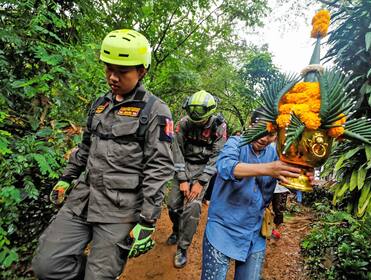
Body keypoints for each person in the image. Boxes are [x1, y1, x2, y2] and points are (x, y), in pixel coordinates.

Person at [32, 29, 174, 279]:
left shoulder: (155, 110)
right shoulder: (100, 104)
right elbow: (86, 146)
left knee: (100, 275)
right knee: (47, 265)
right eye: (109, 69)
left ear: (142, 71)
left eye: (122, 71)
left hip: (120, 209)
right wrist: (68, 177)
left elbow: (159, 167)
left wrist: (148, 220)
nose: (113, 77)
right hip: (84, 199)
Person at [200, 109, 314, 280]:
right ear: (250, 125)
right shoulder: (235, 142)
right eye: (259, 130)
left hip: (254, 232)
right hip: (222, 229)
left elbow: (291, 172)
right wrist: (269, 169)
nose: (263, 138)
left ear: (277, 135)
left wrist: (303, 175)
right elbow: (225, 166)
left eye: (270, 134)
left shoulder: (276, 154)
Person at [167, 90, 227, 268]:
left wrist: (201, 182)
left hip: (203, 168)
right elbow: (176, 151)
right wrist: (183, 179)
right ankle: (177, 229)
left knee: (192, 207)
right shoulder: (184, 123)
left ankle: (182, 248)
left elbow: (217, 156)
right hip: (184, 165)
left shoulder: (219, 127)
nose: (197, 124)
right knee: (172, 205)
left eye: (201, 121)